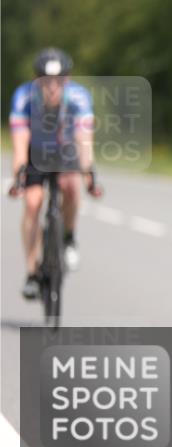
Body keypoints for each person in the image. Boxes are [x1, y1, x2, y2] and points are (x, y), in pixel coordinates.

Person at [8, 48, 101, 297]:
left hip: (65, 150)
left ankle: (69, 237)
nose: (52, 87)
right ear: (36, 79)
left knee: (71, 186)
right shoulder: (23, 97)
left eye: (58, 81)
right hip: (36, 151)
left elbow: (84, 140)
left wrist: (89, 174)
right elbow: (20, 143)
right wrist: (18, 176)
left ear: (67, 80)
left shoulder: (79, 97)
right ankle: (31, 272)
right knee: (32, 203)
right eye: (46, 81)